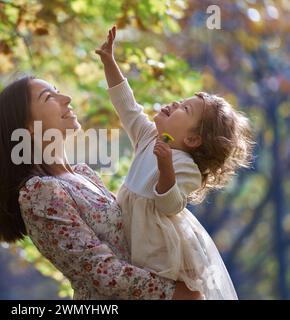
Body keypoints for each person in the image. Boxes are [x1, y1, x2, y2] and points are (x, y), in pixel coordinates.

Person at [0, 75, 200, 299]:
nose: (67, 98)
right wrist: (176, 293)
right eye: (49, 97)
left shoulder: (83, 174)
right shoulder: (40, 192)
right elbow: (101, 272)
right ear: (28, 126)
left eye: (58, 90)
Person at [95, 26, 254, 299]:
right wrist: (110, 62)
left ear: (192, 140)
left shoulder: (184, 166)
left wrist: (165, 166)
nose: (174, 103)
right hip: (131, 240)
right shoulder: (148, 137)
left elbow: (170, 204)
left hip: (157, 252)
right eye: (181, 100)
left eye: (185, 108)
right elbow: (127, 106)